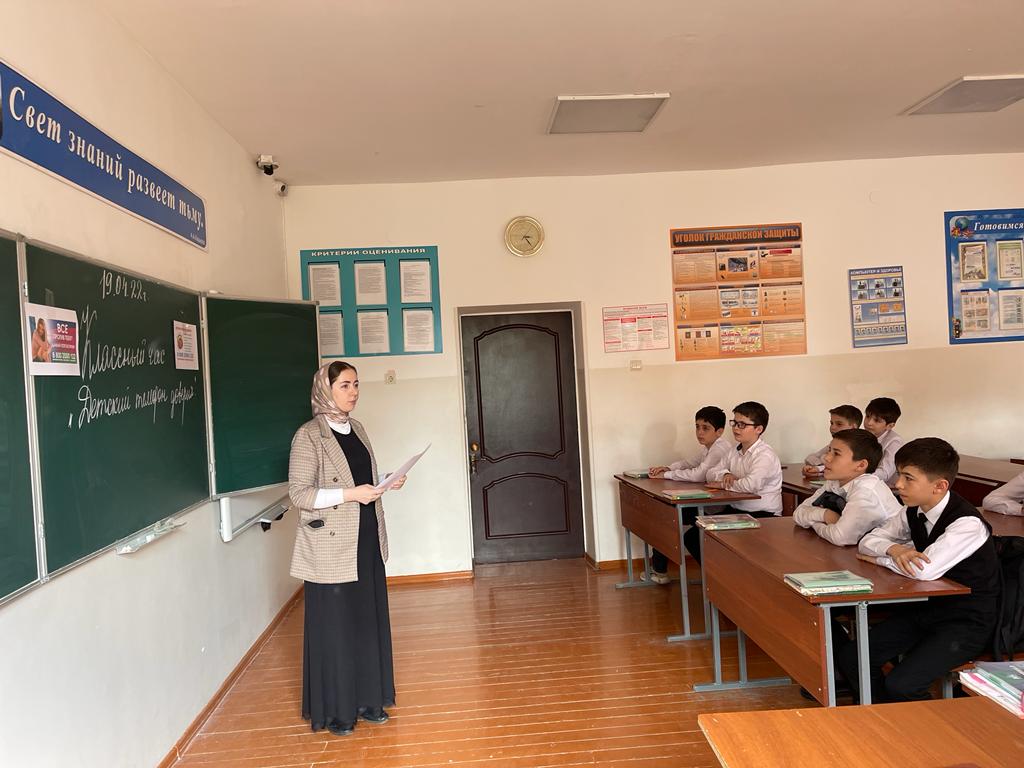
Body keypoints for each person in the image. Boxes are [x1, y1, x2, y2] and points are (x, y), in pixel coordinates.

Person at [288, 361, 407, 736]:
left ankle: (370, 701)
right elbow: (299, 494)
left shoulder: (358, 429)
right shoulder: (309, 436)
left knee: (367, 622)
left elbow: (360, 479)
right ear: (325, 390)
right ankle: (339, 712)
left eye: (356, 384)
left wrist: (385, 481)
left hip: (366, 540)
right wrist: (351, 494)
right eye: (344, 385)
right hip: (331, 547)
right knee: (337, 627)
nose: (353, 392)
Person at [839, 438, 1000, 703]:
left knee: (902, 684)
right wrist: (894, 549)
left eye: (908, 478)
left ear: (940, 486)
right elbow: (868, 541)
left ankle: (921, 724)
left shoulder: (967, 524)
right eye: (899, 474)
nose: (898, 484)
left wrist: (880, 560)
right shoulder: (912, 510)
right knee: (853, 657)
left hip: (966, 621)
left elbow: (922, 571)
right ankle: (885, 715)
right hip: (926, 609)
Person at [646, 406, 731, 582]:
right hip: (705, 501)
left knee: (667, 517)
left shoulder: (720, 449)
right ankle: (659, 569)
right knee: (664, 514)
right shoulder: (709, 447)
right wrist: (668, 468)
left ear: (719, 431)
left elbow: (698, 474)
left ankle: (660, 570)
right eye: (697, 427)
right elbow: (690, 462)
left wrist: (666, 475)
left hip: (713, 507)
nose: (699, 432)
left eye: (705, 428)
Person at [695, 401, 782, 563]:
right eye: (734, 423)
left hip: (763, 515)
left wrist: (723, 484)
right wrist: (726, 473)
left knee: (706, 537)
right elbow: (711, 473)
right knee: (695, 535)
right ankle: (718, 574)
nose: (735, 428)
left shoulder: (764, 455)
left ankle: (723, 573)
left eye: (742, 424)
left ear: (758, 429)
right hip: (738, 511)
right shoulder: (734, 451)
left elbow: (750, 485)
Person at [794, 428, 900, 546]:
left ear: (861, 465)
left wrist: (815, 523)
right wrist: (824, 514)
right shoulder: (835, 481)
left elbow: (840, 537)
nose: (826, 458)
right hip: (860, 549)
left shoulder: (866, 490)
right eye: (829, 451)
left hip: (893, 552)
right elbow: (798, 513)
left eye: (836, 454)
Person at [802, 404, 863, 478]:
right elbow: (810, 458)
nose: (832, 427)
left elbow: (845, 469)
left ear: (853, 427)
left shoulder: (860, 447)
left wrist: (822, 466)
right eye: (831, 423)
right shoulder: (833, 445)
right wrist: (818, 468)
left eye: (839, 424)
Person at [863, 397, 904, 487]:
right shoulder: (861, 435)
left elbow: (884, 473)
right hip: (863, 483)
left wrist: (857, 478)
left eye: (877, 420)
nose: (869, 423)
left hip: (888, 489)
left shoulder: (895, 442)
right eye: (867, 416)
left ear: (890, 426)